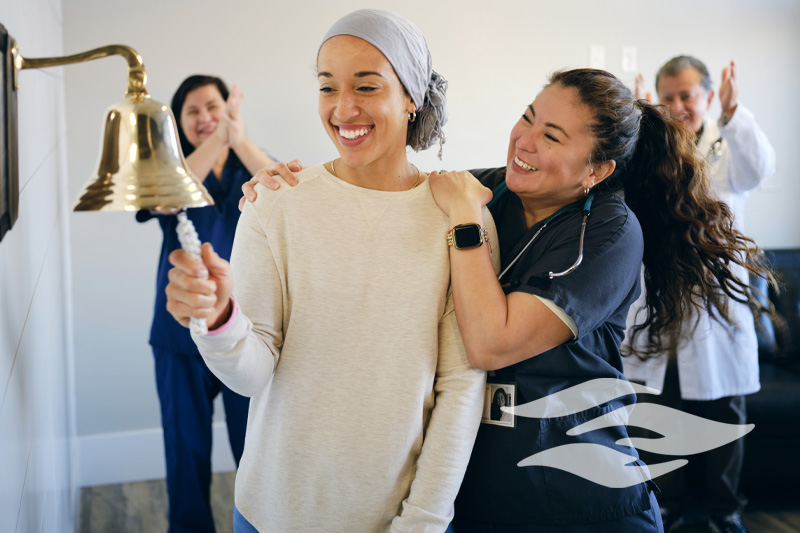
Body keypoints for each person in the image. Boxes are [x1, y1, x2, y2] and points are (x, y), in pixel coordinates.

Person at [243, 67, 771, 531]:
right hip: (475, 493)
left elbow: (490, 344)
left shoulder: (610, 232)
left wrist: (468, 223)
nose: (525, 140)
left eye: (553, 135)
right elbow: (383, 190)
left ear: (596, 170)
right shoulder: (493, 189)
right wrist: (282, 184)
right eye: (528, 116)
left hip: (575, 494)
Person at [165, 9, 496, 532]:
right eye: (327, 87)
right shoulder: (277, 200)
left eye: (367, 87)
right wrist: (220, 316)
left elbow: (460, 385)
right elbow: (252, 373)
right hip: (269, 511)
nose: (343, 109)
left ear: (411, 96)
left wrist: (424, 521)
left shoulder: (457, 216)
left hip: (398, 519)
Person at [626, 56, 776, 533]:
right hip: (659, 301)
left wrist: (734, 116)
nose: (677, 105)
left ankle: (724, 511)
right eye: (666, 97)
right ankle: (661, 506)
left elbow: (759, 168)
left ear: (708, 96)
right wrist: (638, 123)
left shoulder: (726, 146)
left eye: (686, 95)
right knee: (655, 410)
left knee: (725, 416)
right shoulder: (652, 150)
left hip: (716, 309)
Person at [135, 74, 275, 533]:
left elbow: (289, 195)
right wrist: (219, 139)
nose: (205, 118)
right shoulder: (168, 169)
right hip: (178, 338)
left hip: (243, 335)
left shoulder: (250, 165)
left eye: (213, 107)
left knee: (253, 451)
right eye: (192, 111)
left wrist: (239, 138)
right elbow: (165, 196)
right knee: (185, 453)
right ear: (178, 122)